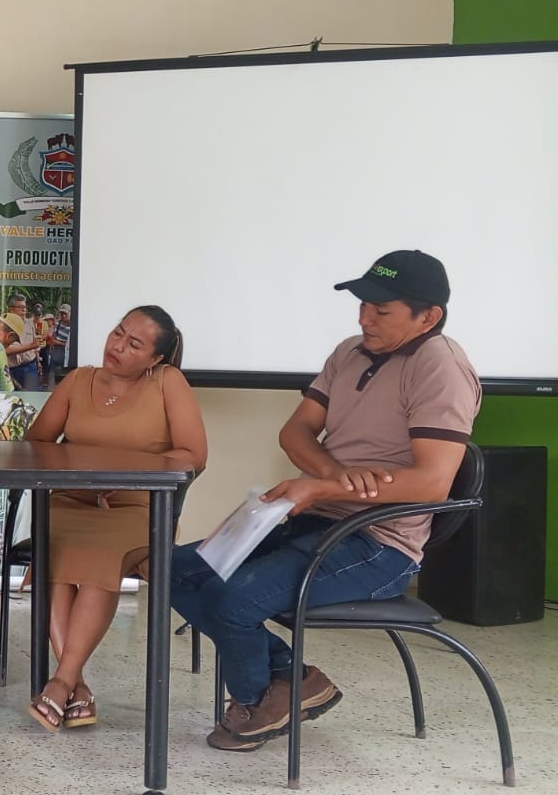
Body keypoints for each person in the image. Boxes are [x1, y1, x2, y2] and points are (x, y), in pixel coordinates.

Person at [172, 250, 479, 753]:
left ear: (428, 317)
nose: (364, 319)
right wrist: (334, 478)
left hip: (379, 544)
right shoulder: (349, 352)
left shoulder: (441, 367)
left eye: (381, 311)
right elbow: (295, 431)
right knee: (174, 570)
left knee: (232, 599)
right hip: (319, 521)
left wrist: (321, 487)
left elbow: (432, 483)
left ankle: (257, 701)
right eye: (362, 306)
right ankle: (292, 680)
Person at [23, 306, 206, 730]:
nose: (117, 346)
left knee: (100, 552)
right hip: (71, 500)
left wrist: (125, 472)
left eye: (134, 344)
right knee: (54, 549)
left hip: (138, 506)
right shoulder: (78, 380)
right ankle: (76, 685)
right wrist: (81, 471)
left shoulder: (168, 382)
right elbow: (36, 444)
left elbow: (194, 455)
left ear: (155, 358)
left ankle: (61, 681)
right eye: (118, 333)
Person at [5, 293, 44, 390]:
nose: (24, 310)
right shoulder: (5, 325)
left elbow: (35, 345)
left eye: (25, 307)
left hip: (30, 366)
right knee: (14, 395)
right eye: (20, 307)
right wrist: (31, 345)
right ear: (11, 309)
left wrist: (38, 362)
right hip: (13, 368)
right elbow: (5, 349)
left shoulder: (30, 323)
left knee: (32, 395)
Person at [45, 303, 72, 386]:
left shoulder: (73, 327)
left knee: (64, 380)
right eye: (62, 313)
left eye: (65, 314)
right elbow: (51, 338)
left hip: (66, 355)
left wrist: (58, 342)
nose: (63, 316)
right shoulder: (57, 324)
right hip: (55, 354)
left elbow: (70, 345)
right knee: (51, 379)